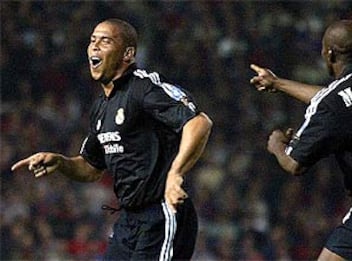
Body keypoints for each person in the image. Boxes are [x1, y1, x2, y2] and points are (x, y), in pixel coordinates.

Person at [12, 18, 213, 260]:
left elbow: (199, 122)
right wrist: (61, 162)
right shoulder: (101, 107)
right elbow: (91, 168)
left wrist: (175, 173)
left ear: (128, 53)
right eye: (92, 40)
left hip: (163, 212)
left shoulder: (143, 87)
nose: (95, 46)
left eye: (105, 41)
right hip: (129, 219)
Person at [250, 20, 352, 261]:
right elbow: (335, 99)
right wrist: (278, 83)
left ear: (329, 53)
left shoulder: (333, 104)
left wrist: (276, 146)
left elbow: (295, 163)